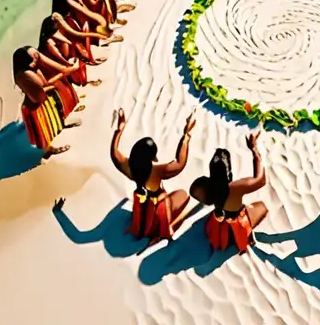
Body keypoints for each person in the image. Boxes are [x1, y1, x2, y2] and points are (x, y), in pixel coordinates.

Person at [110, 109, 196, 245]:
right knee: (183, 194)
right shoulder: (157, 171)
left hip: (141, 216)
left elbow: (114, 154)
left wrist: (119, 131)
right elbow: (180, 163)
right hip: (155, 217)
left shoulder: (129, 168)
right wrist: (186, 136)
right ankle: (162, 233)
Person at [189, 130, 269, 253]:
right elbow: (261, 180)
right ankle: (245, 237)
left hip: (218, 224)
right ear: (229, 173)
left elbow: (193, 191)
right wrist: (254, 150)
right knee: (262, 207)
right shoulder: (237, 187)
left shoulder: (204, 186)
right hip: (237, 222)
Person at [14, 46, 72, 158]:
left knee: (53, 119)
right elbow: (40, 90)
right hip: (34, 106)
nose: (37, 57)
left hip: (40, 100)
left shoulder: (30, 69)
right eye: (34, 57)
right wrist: (58, 78)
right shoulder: (25, 74)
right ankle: (49, 150)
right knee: (43, 131)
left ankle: (60, 127)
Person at [38, 16, 102, 100]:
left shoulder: (51, 38)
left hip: (58, 65)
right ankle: (79, 82)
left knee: (73, 50)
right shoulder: (49, 43)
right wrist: (71, 64)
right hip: (52, 72)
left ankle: (81, 81)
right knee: (74, 56)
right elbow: (60, 59)